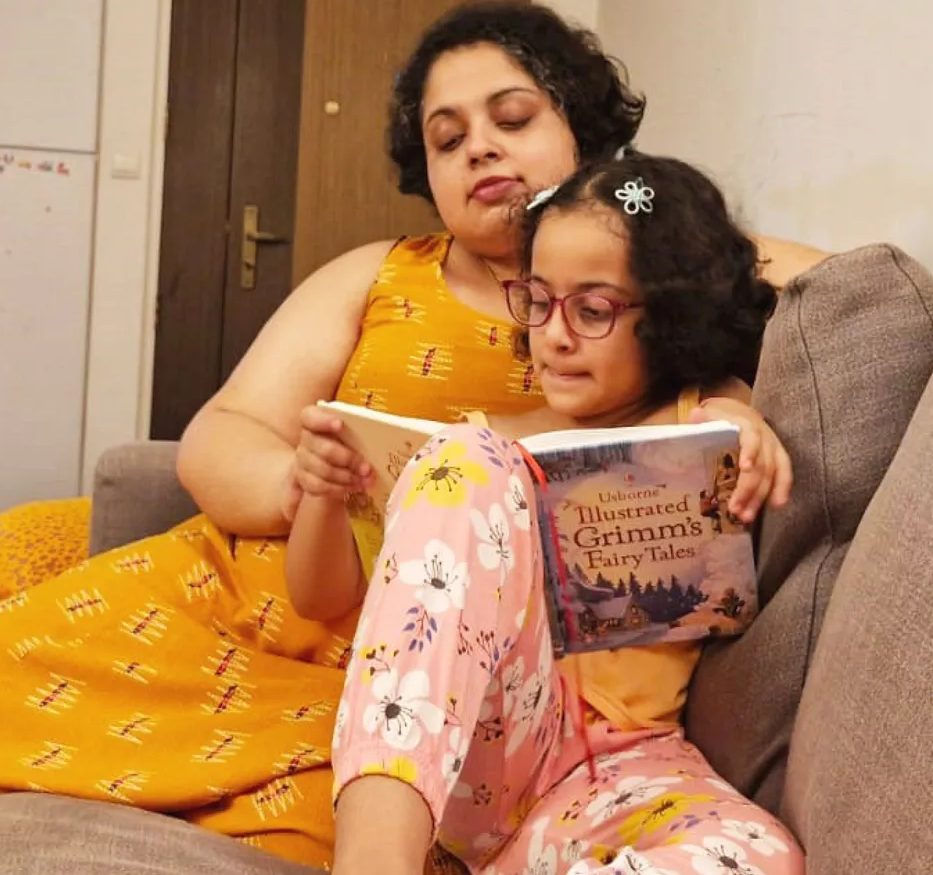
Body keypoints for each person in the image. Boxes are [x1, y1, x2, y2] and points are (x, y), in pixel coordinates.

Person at [0, 0, 830, 875]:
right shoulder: (376, 271)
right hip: (300, 583)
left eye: (512, 117)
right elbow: (217, 439)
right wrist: (325, 483)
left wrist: (718, 372)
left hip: (487, 689)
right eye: (447, 137)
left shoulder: (643, 280)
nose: (481, 150)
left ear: (585, 132)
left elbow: (781, 280)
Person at [294, 154, 802, 875]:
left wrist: (741, 428)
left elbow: (748, 393)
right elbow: (317, 596)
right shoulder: (478, 442)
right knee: (469, 459)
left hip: (631, 769)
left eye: (593, 310)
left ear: (670, 318)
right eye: (537, 300)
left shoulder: (702, 415)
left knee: (756, 856)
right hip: (480, 752)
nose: (554, 334)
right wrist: (321, 491)